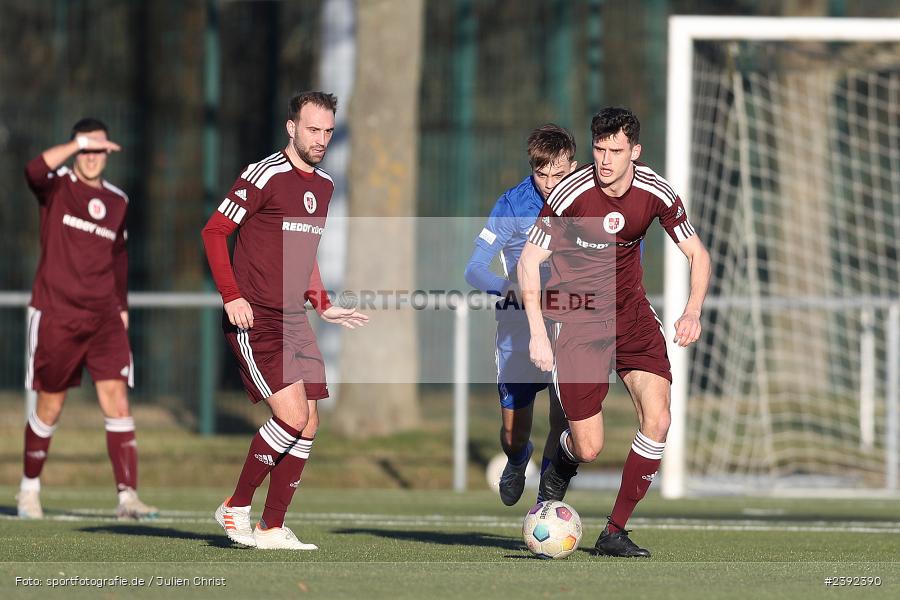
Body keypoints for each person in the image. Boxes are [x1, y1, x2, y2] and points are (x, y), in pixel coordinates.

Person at [518, 107, 710, 557]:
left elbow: (697, 255)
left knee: (658, 419)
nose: (605, 160)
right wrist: (537, 333)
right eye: (599, 149)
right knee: (590, 447)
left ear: (635, 152)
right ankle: (563, 458)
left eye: (615, 151)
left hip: (631, 316)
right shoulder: (570, 194)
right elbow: (530, 260)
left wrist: (692, 311)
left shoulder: (656, 192)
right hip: (578, 321)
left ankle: (614, 531)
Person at [201, 91, 368, 550]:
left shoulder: (325, 185)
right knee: (291, 417)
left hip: (296, 316)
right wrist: (231, 296)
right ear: (291, 127)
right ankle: (235, 505)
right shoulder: (264, 174)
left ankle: (272, 527)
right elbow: (215, 231)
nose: (321, 139)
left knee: (310, 422)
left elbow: (303, 254)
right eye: (312, 129)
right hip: (256, 315)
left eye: (328, 131)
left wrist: (323, 303)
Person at [19, 118, 157, 520]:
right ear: (77, 149)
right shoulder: (57, 185)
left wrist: (123, 308)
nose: (92, 158)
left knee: (117, 400)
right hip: (58, 314)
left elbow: (119, 260)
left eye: (99, 150)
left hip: (105, 318)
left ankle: (127, 496)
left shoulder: (118, 202)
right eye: (86, 150)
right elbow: (32, 170)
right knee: (51, 405)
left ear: (108, 154)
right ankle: (29, 489)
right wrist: (76, 142)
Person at [464, 125, 577, 506]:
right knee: (514, 431)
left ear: (573, 166)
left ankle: (548, 498)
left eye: (558, 175)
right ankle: (517, 457)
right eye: (541, 174)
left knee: (564, 417)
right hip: (518, 325)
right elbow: (474, 269)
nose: (549, 183)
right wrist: (512, 290)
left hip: (568, 322)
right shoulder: (511, 204)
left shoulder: (585, 200)